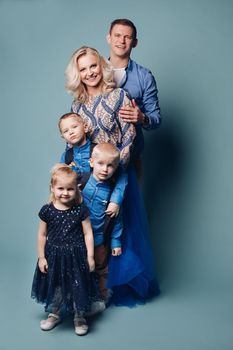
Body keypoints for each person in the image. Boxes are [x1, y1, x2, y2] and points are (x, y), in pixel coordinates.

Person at [65, 46, 160, 306]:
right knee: (90, 233)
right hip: (88, 180)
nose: (89, 72)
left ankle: (114, 288)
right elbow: (74, 143)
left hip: (116, 175)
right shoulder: (77, 105)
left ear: (101, 65)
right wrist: (70, 170)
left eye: (93, 65)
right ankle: (89, 288)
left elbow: (129, 136)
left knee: (119, 232)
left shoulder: (120, 96)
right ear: (78, 74)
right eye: (83, 69)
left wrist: (113, 171)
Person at [31, 164, 100, 335]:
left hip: (76, 256)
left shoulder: (80, 210)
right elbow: (41, 235)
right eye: (60, 188)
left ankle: (79, 315)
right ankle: (55, 313)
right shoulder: (47, 211)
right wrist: (41, 258)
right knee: (56, 286)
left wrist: (90, 256)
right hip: (54, 256)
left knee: (77, 285)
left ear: (76, 189)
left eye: (70, 189)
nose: (65, 193)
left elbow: (88, 233)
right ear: (52, 188)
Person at [107, 18, 161, 166]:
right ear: (109, 38)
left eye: (128, 37)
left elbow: (156, 118)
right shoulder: (93, 72)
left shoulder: (144, 77)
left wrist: (142, 118)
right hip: (96, 157)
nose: (122, 41)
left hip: (129, 157)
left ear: (135, 42)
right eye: (117, 35)